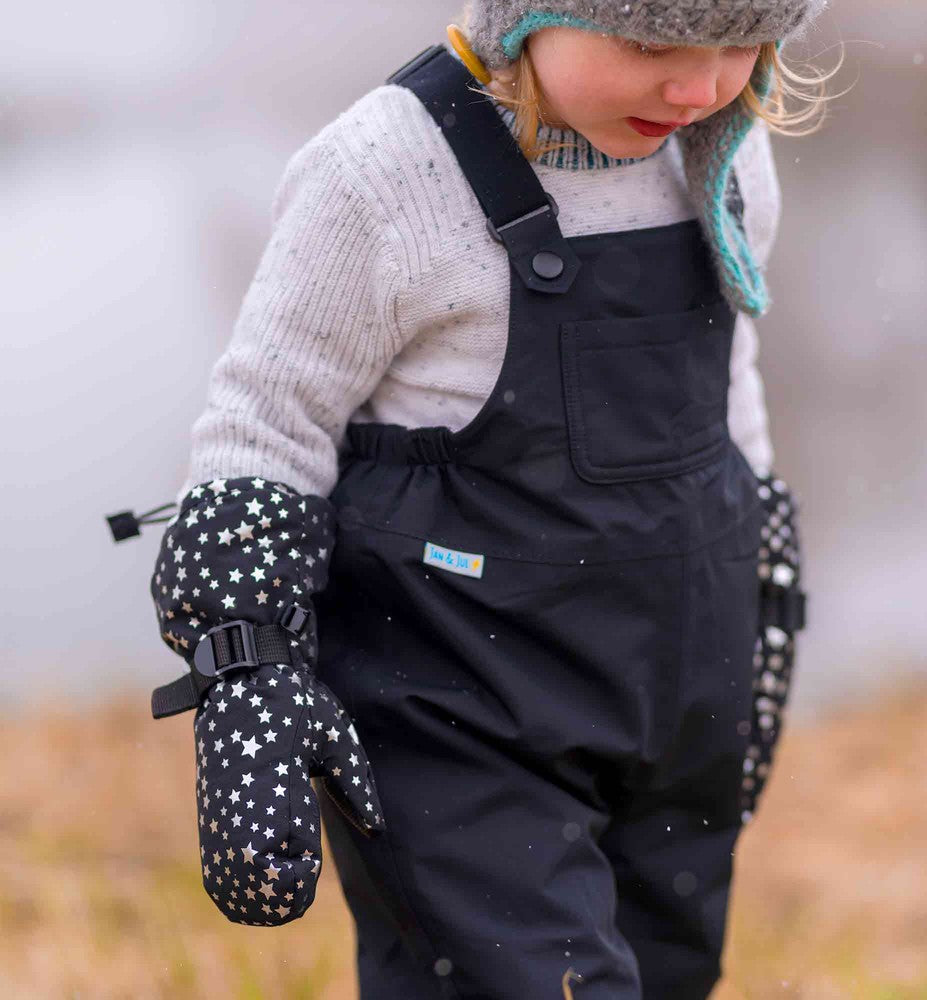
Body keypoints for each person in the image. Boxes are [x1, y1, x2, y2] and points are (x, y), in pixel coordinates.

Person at [144, 1, 830, 996]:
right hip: (455, 716)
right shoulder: (382, 175)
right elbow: (263, 422)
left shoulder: (719, 155)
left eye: (740, 45)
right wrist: (246, 670)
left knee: (664, 973)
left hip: (671, 700)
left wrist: (759, 569)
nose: (698, 88)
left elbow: (726, 381)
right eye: (651, 46)